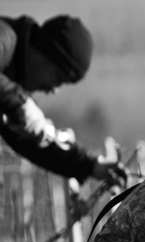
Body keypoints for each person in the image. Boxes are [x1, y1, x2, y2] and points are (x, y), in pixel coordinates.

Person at [0, 14, 126, 185]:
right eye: (58, 78)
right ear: (46, 51)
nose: (54, 90)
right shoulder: (4, 36)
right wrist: (18, 103)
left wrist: (90, 165)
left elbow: (33, 142)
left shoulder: (11, 88)